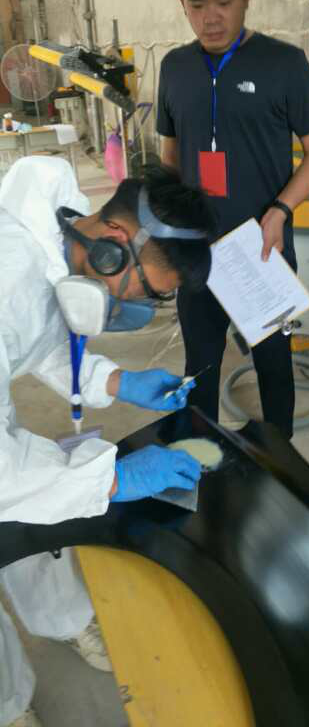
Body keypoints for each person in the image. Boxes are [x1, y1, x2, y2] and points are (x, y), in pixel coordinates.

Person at [0, 155, 215, 727]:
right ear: (114, 245)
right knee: (23, 490)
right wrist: (114, 477)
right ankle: (7, 704)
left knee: (31, 513)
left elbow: (37, 339)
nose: (137, 309)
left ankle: (63, 619)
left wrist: (119, 381)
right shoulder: (6, 276)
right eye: (145, 290)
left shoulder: (56, 240)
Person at [158, 0, 309, 440]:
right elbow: (171, 158)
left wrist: (280, 210)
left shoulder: (284, 64)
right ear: (182, 2)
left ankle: (281, 466)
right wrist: (169, 226)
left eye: (224, 1)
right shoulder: (174, 68)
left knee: (274, 369)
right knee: (200, 370)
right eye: (197, 4)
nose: (210, 18)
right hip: (198, 254)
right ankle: (200, 468)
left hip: (263, 251)